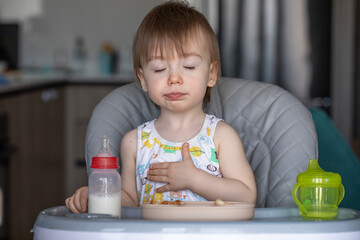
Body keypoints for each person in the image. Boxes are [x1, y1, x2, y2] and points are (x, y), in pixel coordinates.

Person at [65, 0, 256, 213]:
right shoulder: (133, 143)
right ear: (143, 78)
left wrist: (194, 179)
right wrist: (96, 197)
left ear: (211, 74)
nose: (174, 78)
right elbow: (130, 203)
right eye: (159, 69)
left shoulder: (221, 136)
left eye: (189, 66)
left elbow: (247, 196)